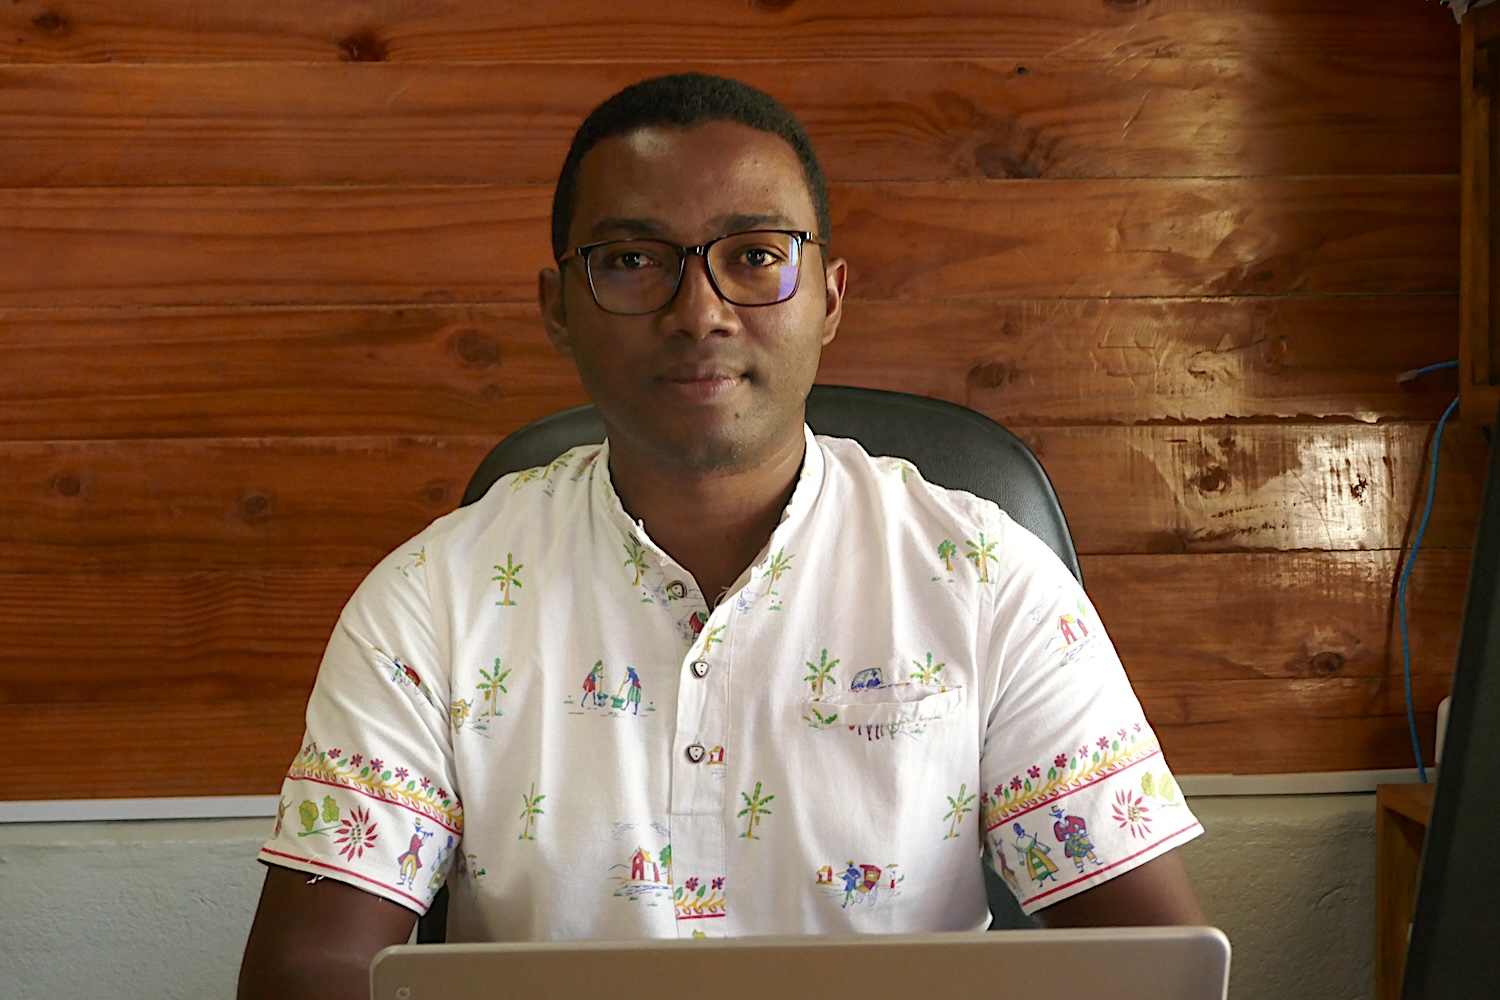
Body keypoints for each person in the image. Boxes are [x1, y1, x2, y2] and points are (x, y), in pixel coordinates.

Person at [238, 72, 1204, 999]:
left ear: (828, 297)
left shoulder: (987, 582)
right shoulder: (432, 600)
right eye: (631, 262)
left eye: (753, 256)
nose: (699, 312)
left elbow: (1152, 965)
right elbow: (308, 973)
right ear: (558, 310)